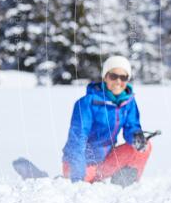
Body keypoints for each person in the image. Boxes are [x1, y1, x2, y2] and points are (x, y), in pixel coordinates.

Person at [62, 55, 150, 186]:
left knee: (145, 147)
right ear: (105, 77)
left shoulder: (128, 102)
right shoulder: (87, 103)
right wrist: (78, 178)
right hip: (81, 163)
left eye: (123, 77)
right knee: (85, 184)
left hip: (105, 161)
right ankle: (88, 178)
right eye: (113, 76)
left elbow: (132, 127)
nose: (118, 81)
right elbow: (77, 140)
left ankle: (126, 185)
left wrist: (136, 137)